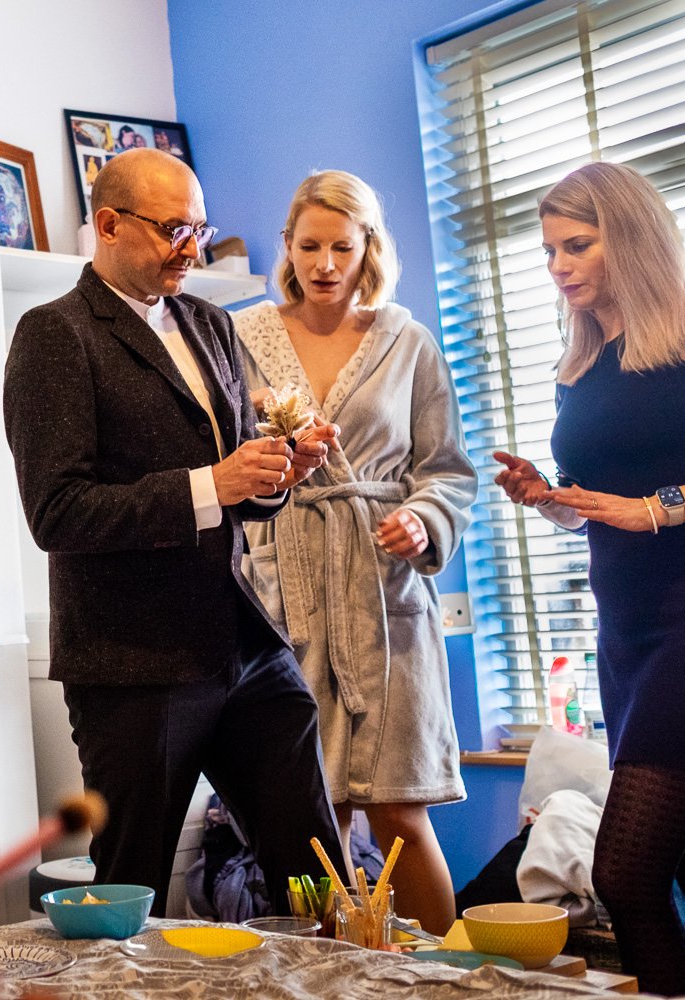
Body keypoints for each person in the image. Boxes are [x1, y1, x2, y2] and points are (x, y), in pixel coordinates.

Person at [2, 147, 345, 917]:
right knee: (134, 894)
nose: (191, 248)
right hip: (133, 665)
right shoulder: (54, 336)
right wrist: (211, 484)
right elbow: (56, 512)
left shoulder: (213, 325)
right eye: (172, 230)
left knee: (317, 867)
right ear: (109, 225)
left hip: (243, 645)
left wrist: (274, 476)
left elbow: (233, 492)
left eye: (199, 228)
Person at [231, 171, 475, 935]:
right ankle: (335, 980)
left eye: (343, 245)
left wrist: (423, 519)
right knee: (313, 818)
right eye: (309, 245)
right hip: (287, 584)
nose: (325, 263)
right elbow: (223, 455)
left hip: (382, 589)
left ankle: (452, 977)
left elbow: (445, 469)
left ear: (369, 246)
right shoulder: (243, 336)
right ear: (287, 247)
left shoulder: (406, 341)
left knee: (401, 808)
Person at [493, 161, 685, 995]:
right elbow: (599, 503)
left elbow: (648, 500)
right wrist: (550, 500)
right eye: (547, 252)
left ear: (633, 237)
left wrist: (659, 509)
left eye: (577, 245)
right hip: (627, 630)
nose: (558, 266)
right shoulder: (587, 362)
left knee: (628, 873)